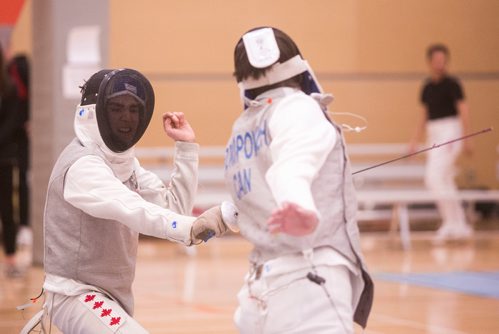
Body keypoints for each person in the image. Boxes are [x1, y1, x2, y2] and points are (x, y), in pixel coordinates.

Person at [20, 68, 235, 333]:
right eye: (117, 108)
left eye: (134, 109)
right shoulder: (82, 166)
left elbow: (173, 208)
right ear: (94, 112)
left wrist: (186, 148)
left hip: (113, 295)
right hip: (74, 294)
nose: (127, 118)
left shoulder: (126, 165)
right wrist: (190, 228)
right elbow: (131, 208)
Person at [225, 27, 373, 334]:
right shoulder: (297, 107)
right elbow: (292, 168)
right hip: (311, 279)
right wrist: (298, 205)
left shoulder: (243, 127)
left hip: (262, 285)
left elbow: (258, 190)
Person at [409, 44, 473, 242]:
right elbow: (424, 115)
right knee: (444, 180)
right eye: (436, 60)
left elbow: (463, 111)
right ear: (429, 62)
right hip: (434, 132)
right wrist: (415, 140)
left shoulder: (453, 84)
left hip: (451, 132)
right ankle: (456, 223)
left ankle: (453, 223)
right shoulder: (427, 87)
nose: (440, 64)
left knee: (434, 177)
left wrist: (467, 137)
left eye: (443, 60)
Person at [0, 43, 22, 278]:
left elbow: (10, 125)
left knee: (7, 208)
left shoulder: (10, 88)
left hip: (4, 157)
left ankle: (11, 258)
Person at [7, 54, 32, 247]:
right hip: (9, 137)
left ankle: (24, 226)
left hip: (17, 136)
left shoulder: (20, 66)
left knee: (22, 179)